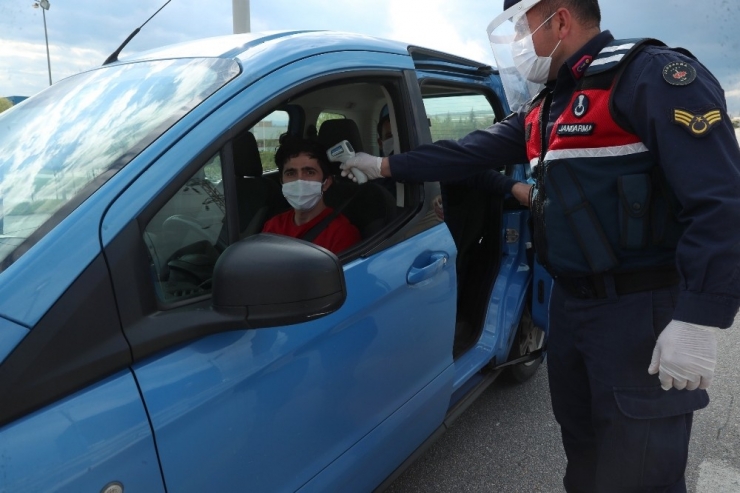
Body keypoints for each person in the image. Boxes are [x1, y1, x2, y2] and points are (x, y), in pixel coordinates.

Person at [341, 0, 740, 491]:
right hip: (572, 310)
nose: (516, 43)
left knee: (642, 471)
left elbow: (722, 203)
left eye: (520, 26)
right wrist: (381, 166)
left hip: (641, 312)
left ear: (560, 20)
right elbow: (466, 153)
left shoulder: (649, 78)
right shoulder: (546, 106)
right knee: (585, 457)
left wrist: (700, 317)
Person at [262, 137, 360, 255]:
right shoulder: (273, 226)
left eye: (309, 172)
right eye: (291, 173)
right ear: (282, 182)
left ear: (326, 183)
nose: (300, 180)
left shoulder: (342, 233)